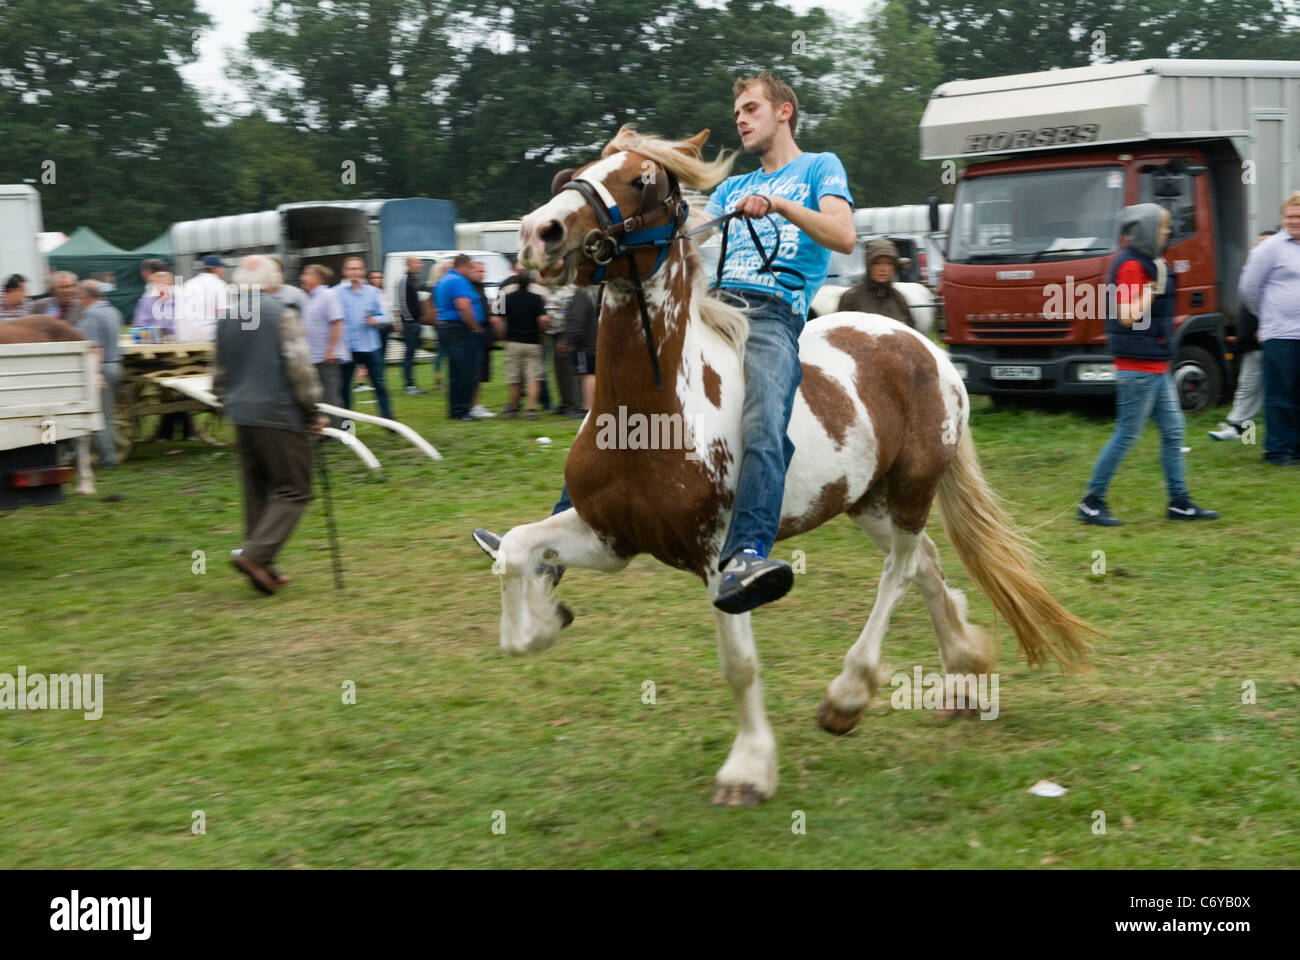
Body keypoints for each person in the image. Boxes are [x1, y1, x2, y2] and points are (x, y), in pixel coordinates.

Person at [475, 70, 855, 615]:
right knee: (616, 405)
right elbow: (670, 225)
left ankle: (747, 551)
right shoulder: (730, 189)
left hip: (774, 314)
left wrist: (781, 205)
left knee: (765, 416)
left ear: (784, 111)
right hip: (716, 304)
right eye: (738, 113)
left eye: (751, 109)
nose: (742, 120)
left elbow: (843, 236)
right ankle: (554, 542)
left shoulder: (820, 167)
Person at [1077, 204, 1218, 525]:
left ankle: (1179, 502)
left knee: (1173, 431)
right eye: (1162, 227)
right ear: (1145, 231)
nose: (1168, 232)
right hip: (1137, 366)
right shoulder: (1129, 265)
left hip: (1154, 364)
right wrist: (1152, 290)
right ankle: (1091, 501)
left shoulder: (1148, 261)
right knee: (1127, 434)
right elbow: (1128, 316)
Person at [213, 255, 326, 595]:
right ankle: (254, 556)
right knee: (295, 489)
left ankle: (263, 565)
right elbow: (300, 370)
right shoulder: (282, 315)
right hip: (277, 413)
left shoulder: (227, 317)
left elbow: (219, 373)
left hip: (241, 413)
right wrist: (312, 411)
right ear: (273, 283)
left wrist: (227, 402)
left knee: (257, 491)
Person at [1239, 192, 1300, 466]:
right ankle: (1278, 451)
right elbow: (1248, 288)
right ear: (1282, 218)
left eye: (1298, 216)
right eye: (1289, 216)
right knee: (1280, 394)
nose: (1294, 221)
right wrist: (1266, 316)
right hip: (1280, 333)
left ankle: (1296, 449)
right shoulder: (1270, 248)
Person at [1209, 230, 1275, 442]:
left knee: (1275, 392)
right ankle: (1241, 431)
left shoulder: (1277, 279)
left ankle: (1275, 435)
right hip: (1252, 345)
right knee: (1248, 388)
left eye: (1264, 245)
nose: (1259, 250)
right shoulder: (1254, 275)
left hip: (1272, 342)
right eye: (1257, 245)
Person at [334, 256, 394, 420]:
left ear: (363, 271)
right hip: (348, 347)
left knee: (380, 385)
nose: (354, 272)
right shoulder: (335, 293)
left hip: (371, 346)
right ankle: (347, 426)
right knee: (345, 389)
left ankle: (389, 423)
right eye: (350, 269)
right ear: (344, 271)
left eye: (357, 269)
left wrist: (377, 320)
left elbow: (386, 316)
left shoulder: (373, 292)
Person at [75, 279, 123, 468]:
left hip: (102, 367)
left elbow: (95, 347)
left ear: (85, 296)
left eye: (79, 297)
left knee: (99, 415)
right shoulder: (113, 311)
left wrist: (96, 373)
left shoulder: (91, 315)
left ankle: (108, 459)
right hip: (116, 365)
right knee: (107, 415)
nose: (78, 301)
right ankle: (108, 454)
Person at [433, 254, 485, 421]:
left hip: (446, 326)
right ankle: (462, 411)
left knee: (455, 372)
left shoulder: (443, 279)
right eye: (470, 268)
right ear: (463, 266)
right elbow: (463, 306)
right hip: (460, 329)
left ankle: (455, 409)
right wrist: (474, 326)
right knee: (465, 372)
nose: (471, 271)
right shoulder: (458, 280)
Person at [498, 267, 550, 419]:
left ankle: (513, 409)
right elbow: (544, 319)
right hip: (533, 342)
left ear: (515, 282)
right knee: (533, 377)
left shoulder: (506, 296)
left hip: (513, 341)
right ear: (530, 283)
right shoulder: (536, 298)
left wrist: (503, 337)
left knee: (514, 378)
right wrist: (542, 334)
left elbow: (495, 318)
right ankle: (531, 410)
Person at [299, 263, 348, 418]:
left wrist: (331, 350)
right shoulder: (310, 299)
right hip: (314, 357)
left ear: (317, 278)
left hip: (327, 357)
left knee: (332, 397)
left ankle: (341, 432)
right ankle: (326, 431)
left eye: (306, 274)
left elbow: (337, 322)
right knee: (320, 397)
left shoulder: (328, 295)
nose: (302, 277)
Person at [837, 237, 913, 326]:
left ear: (894, 267)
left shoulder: (899, 299)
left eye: (888, 263)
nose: (883, 269)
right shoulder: (851, 298)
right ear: (869, 265)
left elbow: (911, 333)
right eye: (876, 263)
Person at [175, 254, 229, 342]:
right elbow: (224, 315)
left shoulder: (188, 284)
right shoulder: (219, 284)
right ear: (217, 268)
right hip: (207, 337)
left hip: (183, 337)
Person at [566, 285, 600, 415]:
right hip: (598, 341)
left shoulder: (582, 293)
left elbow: (577, 318)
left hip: (585, 344)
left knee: (587, 374)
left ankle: (588, 408)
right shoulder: (601, 291)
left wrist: (572, 340)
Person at [468, 260, 496, 418]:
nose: (481, 274)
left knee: (481, 372)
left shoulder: (481, 287)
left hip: (485, 333)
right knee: (476, 372)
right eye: (478, 271)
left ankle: (475, 404)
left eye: (483, 271)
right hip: (476, 332)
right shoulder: (470, 287)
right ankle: (473, 405)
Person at [398, 256, 427, 395]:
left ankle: (411, 383)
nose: (420, 265)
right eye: (417, 262)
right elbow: (403, 303)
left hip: (416, 322)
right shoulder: (405, 280)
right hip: (410, 324)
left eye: (420, 262)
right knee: (409, 355)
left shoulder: (415, 280)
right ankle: (409, 385)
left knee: (411, 355)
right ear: (408, 264)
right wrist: (410, 321)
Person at [131, 271, 176, 336]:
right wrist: (158, 330)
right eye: (158, 283)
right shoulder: (145, 303)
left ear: (171, 285)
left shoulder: (180, 302)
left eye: (165, 283)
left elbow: (185, 327)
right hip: (154, 342)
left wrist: (168, 329)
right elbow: (139, 327)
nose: (161, 287)